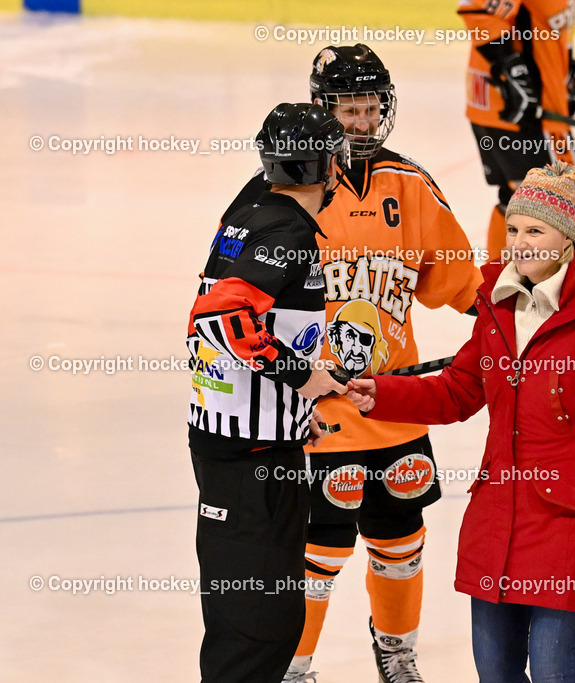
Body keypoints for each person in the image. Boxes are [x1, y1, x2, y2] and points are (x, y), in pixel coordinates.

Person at [346, 161, 575, 683]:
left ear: (567, 237)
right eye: (513, 230)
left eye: (535, 231)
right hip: (497, 516)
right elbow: (458, 392)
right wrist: (383, 394)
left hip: (570, 524)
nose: (519, 243)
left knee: (553, 671)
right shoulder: (499, 307)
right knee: (495, 674)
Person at [280, 44, 484, 683]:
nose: (363, 122)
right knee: (319, 549)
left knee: (400, 543)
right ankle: (295, 667)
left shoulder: (409, 185)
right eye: (349, 110)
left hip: (393, 404)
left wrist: (527, 304)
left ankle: (397, 656)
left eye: (371, 109)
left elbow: (458, 281)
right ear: (322, 109)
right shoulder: (291, 189)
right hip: (316, 409)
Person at [186, 102, 350, 682]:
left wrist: (297, 407)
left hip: (250, 444)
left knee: (268, 619)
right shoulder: (287, 230)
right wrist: (303, 378)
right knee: (255, 629)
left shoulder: (253, 204)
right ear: (327, 166)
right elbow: (221, 319)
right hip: (248, 458)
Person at [458, 0, 575, 261]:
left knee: (517, 203)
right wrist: (512, 71)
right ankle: (562, 286)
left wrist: (563, 76)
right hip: (513, 111)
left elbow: (548, 26)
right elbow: (478, 8)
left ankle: (499, 280)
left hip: (522, 109)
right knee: (562, 209)